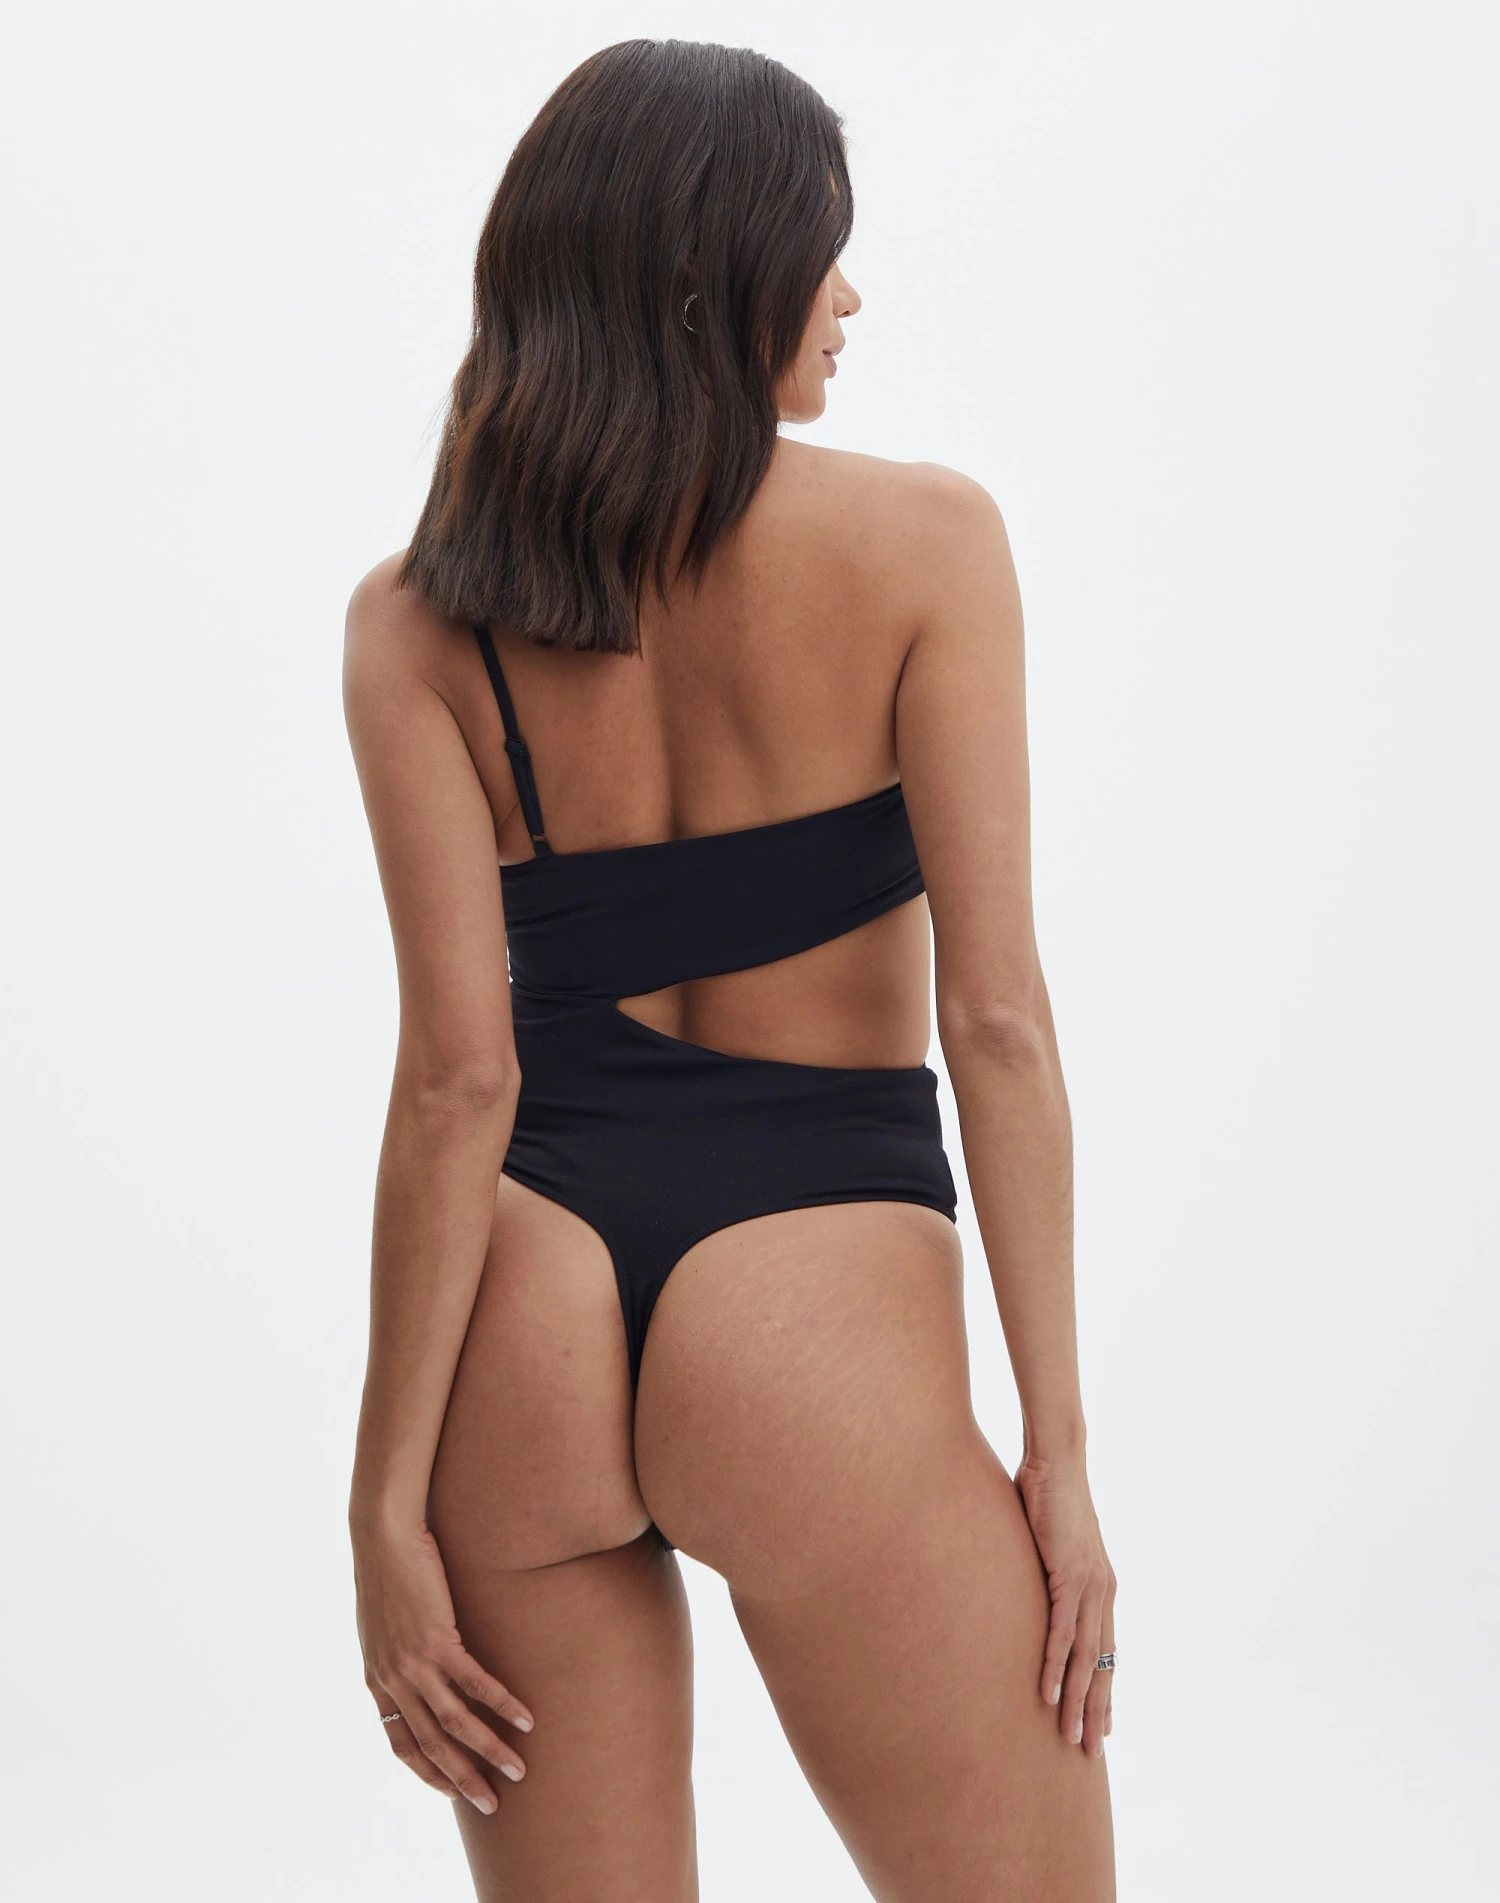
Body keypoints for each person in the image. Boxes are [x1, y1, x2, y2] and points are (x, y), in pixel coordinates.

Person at [343, 36, 1117, 1901]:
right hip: (811, 1299)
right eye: (818, 251)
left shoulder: (415, 620)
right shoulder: (926, 544)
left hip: (523, 1307)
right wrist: (1061, 1454)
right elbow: (996, 1020)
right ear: (710, 280)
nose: (847, 296)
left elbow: (457, 1081)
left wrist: (384, 1502)